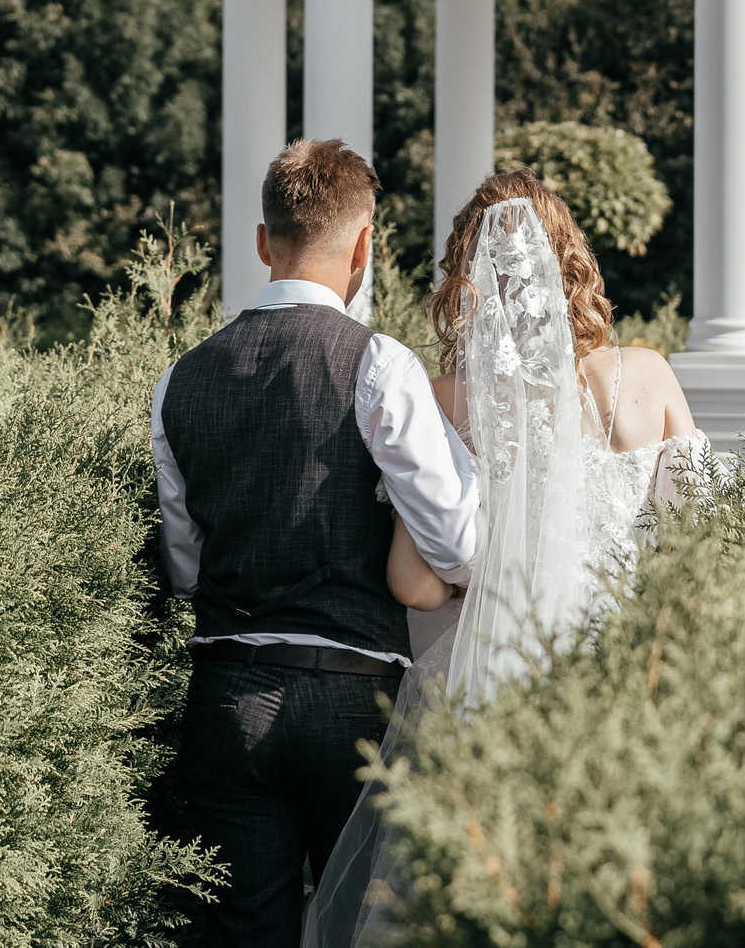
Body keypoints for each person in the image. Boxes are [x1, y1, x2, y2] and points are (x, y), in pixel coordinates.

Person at [303, 171, 719, 947]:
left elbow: (416, 586)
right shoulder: (647, 376)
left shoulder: (449, 400)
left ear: (467, 281)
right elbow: (704, 546)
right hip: (626, 679)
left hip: (488, 683)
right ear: (573, 264)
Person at [152, 139, 479, 948]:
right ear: (365, 245)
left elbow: (185, 564)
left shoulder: (179, 377)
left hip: (225, 699)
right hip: (350, 701)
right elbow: (460, 544)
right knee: (358, 930)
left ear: (263, 241)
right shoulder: (379, 365)